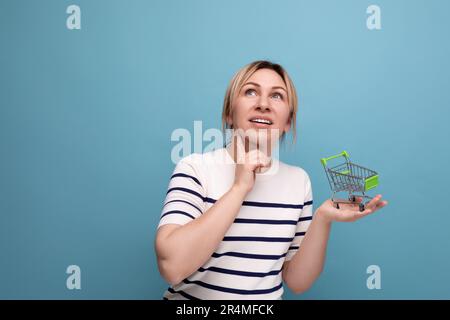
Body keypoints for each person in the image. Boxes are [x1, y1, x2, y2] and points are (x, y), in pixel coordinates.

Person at [154, 60, 388, 300]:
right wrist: (239, 188)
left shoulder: (298, 181)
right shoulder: (195, 168)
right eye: (250, 92)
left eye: (277, 96)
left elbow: (297, 282)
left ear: (288, 121)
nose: (263, 104)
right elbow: (172, 266)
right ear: (229, 113)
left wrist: (323, 218)